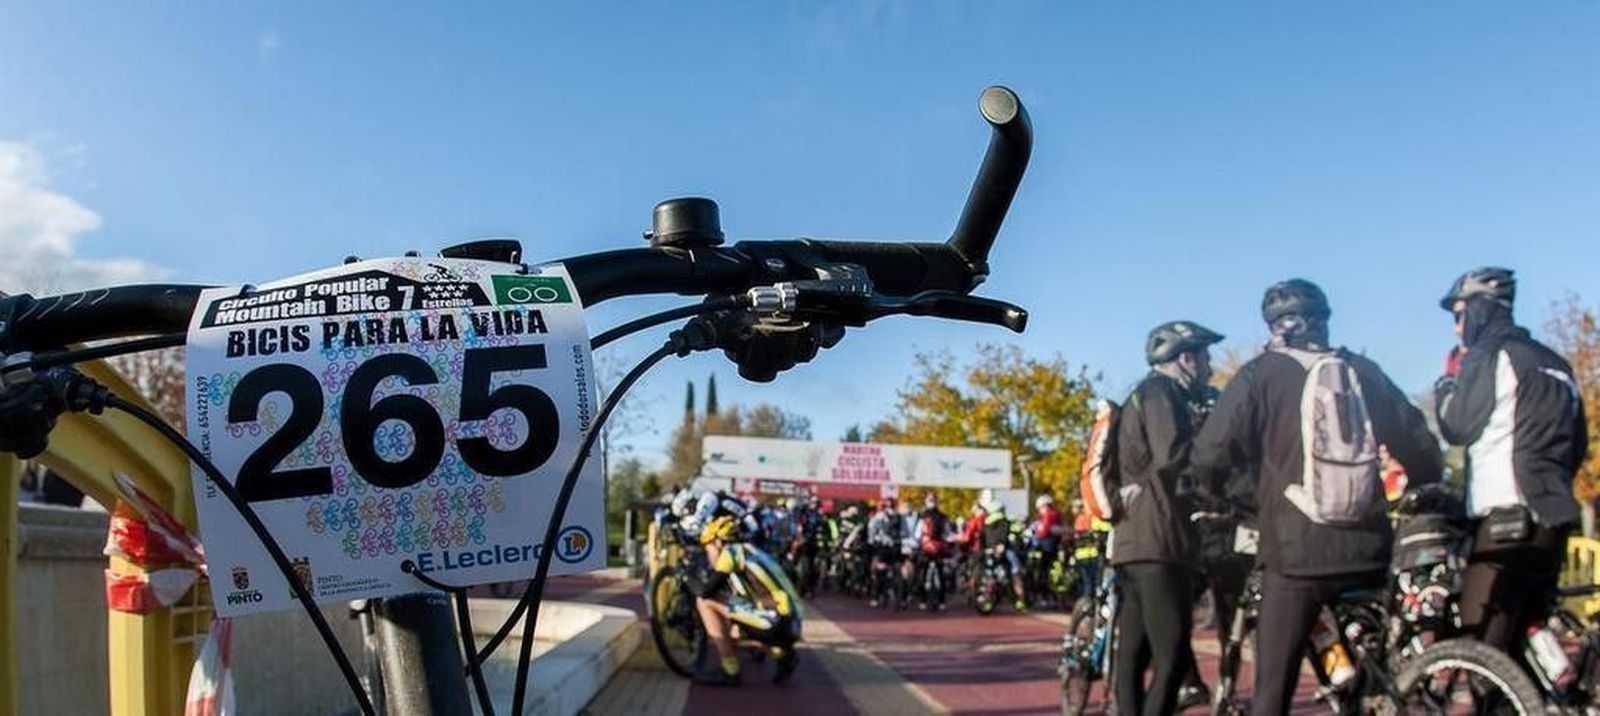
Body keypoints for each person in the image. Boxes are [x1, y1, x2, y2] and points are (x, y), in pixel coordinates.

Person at [1194, 279, 1443, 716]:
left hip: (1294, 555)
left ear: (1274, 325)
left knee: (1273, 689)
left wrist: (1241, 498)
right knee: (1377, 676)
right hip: (1368, 549)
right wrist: (1422, 484)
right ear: (1324, 320)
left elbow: (1210, 456)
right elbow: (1419, 444)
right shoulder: (1362, 370)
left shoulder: (1259, 374)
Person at [1433, 267, 1587, 657]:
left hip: (1505, 520)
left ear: (1479, 310)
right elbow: (1577, 444)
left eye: (1459, 314)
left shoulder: (1489, 354)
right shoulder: (1557, 363)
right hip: (1553, 516)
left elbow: (1456, 425)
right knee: (1522, 643)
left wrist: (1446, 386)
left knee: (1480, 648)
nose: (1456, 328)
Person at [1107, 320, 1223, 716]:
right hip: (1160, 543)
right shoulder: (1161, 392)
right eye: (1206, 356)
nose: (1210, 366)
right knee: (1172, 657)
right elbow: (1173, 455)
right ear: (1185, 358)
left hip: (1135, 542)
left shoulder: (1143, 393)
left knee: (1135, 655)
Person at [693, 514, 799, 686]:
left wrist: (688, 582)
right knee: (734, 623)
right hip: (790, 622)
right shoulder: (753, 550)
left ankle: (730, 669)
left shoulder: (731, 552)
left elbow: (707, 591)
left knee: (704, 602)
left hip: (776, 622)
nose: (708, 555)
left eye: (708, 548)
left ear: (718, 542)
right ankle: (781, 654)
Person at [979, 500, 1029, 612]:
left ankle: (986, 594)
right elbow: (1005, 535)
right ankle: (1020, 599)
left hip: (990, 551)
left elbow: (982, 537)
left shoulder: (986, 522)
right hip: (1004, 550)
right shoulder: (1003, 520)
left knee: (989, 572)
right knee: (1016, 571)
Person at [914, 493, 953, 610]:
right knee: (941, 575)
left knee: (923, 574)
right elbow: (947, 533)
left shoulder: (922, 516)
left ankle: (923, 600)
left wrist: (920, 541)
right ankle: (942, 601)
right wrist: (948, 542)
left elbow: (917, 534)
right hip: (939, 548)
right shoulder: (943, 516)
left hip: (926, 548)